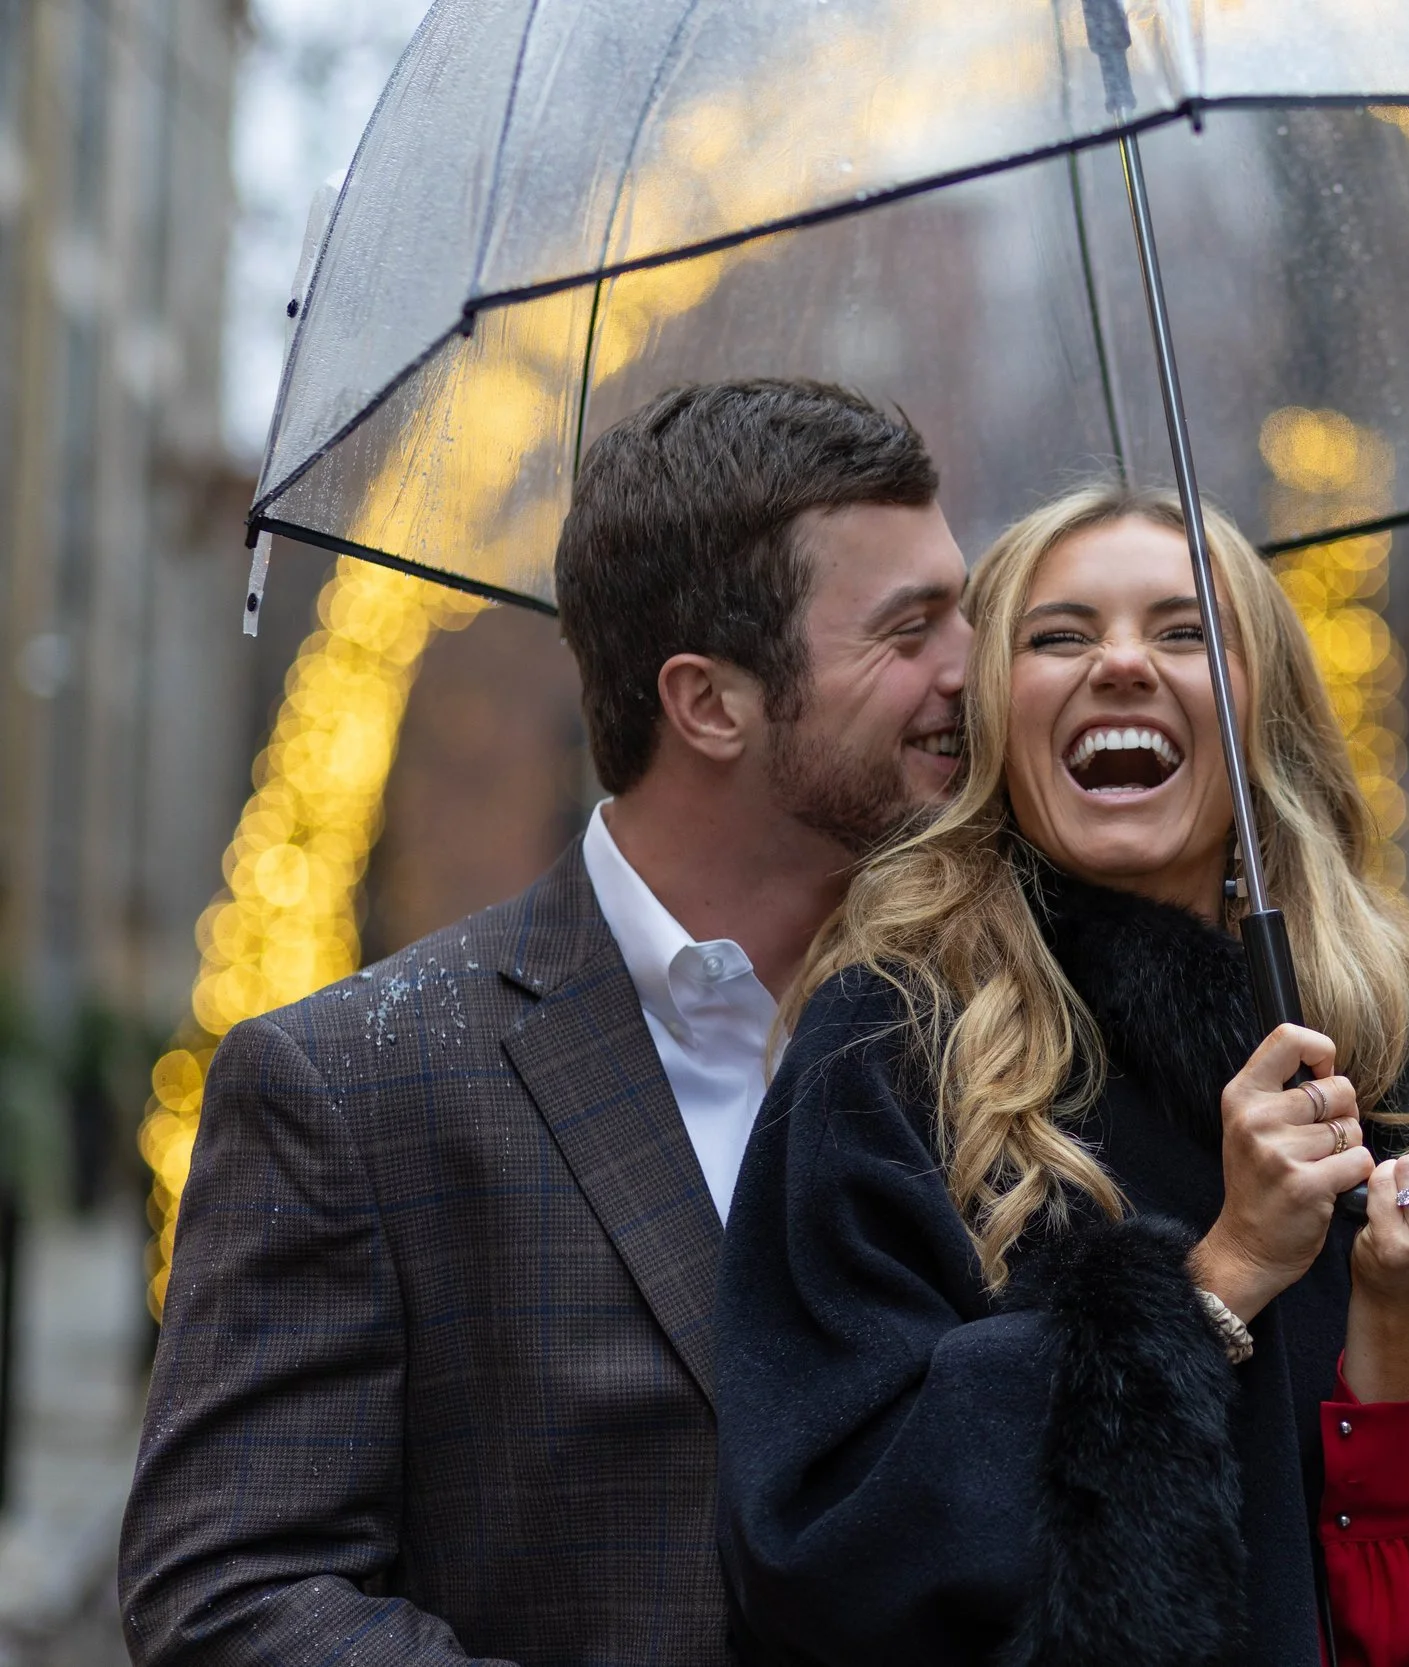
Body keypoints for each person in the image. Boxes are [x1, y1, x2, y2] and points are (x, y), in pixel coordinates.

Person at [119, 379, 973, 1667]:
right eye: (910, 631)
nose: (973, 665)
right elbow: (232, 1593)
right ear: (711, 703)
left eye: (965, 610)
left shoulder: (1003, 1043)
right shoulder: (350, 1088)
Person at [717, 485, 1409, 1667]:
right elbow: (822, 1550)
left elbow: (1400, 1622)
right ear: (995, 709)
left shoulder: (1368, 1050)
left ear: (1264, 715)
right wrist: (1219, 1277)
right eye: (1058, 634)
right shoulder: (888, 1041)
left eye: (1186, 628)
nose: (1121, 664)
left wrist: (1403, 1310)